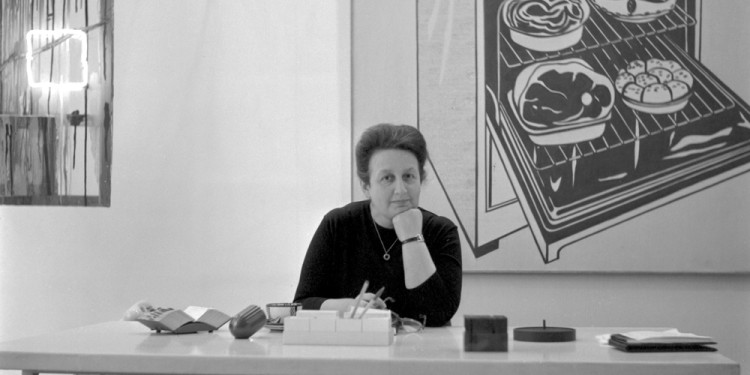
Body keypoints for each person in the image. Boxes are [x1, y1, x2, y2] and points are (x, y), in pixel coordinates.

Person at [293, 123, 462, 327]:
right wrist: (348, 306)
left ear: (420, 180)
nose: (400, 190)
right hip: (354, 350)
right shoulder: (338, 224)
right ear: (366, 186)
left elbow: (440, 313)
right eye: (387, 178)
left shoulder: (441, 231)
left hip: (421, 352)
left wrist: (411, 237)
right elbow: (302, 304)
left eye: (408, 176)